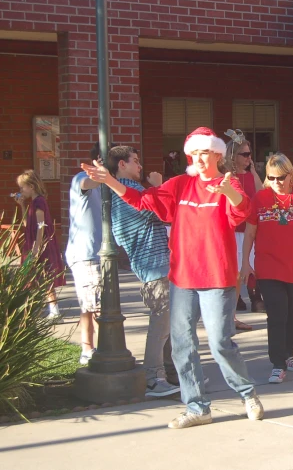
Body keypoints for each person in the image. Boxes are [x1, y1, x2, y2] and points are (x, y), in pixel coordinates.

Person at [81, 127, 263, 429]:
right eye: (195, 153)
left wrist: (228, 191)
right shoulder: (179, 185)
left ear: (217, 154)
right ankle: (196, 406)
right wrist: (110, 181)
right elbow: (142, 200)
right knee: (182, 344)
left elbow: (241, 210)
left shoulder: (227, 184)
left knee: (220, 343)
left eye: (206, 152)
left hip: (217, 277)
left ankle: (247, 393)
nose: (200, 158)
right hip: (182, 278)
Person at [105, 146, 179, 398]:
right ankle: (153, 378)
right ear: (121, 165)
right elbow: (162, 212)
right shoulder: (128, 193)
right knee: (160, 326)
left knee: (169, 326)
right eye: (135, 161)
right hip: (153, 266)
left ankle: (170, 372)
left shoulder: (126, 191)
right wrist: (158, 187)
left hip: (157, 266)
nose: (140, 166)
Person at [241, 153, 293, 384]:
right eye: (271, 177)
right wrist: (245, 262)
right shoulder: (260, 198)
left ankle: (288, 354)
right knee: (277, 314)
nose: (276, 182)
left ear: (290, 176)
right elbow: (250, 232)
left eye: (281, 177)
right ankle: (278, 363)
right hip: (268, 267)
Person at [65, 142, 104, 364]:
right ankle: (94, 350)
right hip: (86, 253)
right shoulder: (81, 178)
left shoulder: (107, 186)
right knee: (95, 306)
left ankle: (90, 348)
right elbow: (88, 183)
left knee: (90, 305)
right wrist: (100, 175)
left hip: (97, 253)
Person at [225, 129, 264, 326]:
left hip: (248, 230)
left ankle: (236, 311)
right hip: (232, 230)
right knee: (235, 274)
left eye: (250, 154)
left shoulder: (250, 176)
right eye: (245, 154)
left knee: (246, 271)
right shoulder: (226, 177)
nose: (249, 158)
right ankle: (230, 315)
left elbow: (261, 196)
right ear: (234, 156)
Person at [14, 170, 66, 314]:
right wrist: (22, 206)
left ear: (31, 186)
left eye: (22, 187)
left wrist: (37, 247)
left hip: (40, 244)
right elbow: (27, 224)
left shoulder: (39, 202)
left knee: (45, 275)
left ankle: (54, 310)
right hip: (33, 243)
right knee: (29, 275)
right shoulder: (32, 203)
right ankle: (32, 309)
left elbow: (41, 225)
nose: (21, 191)